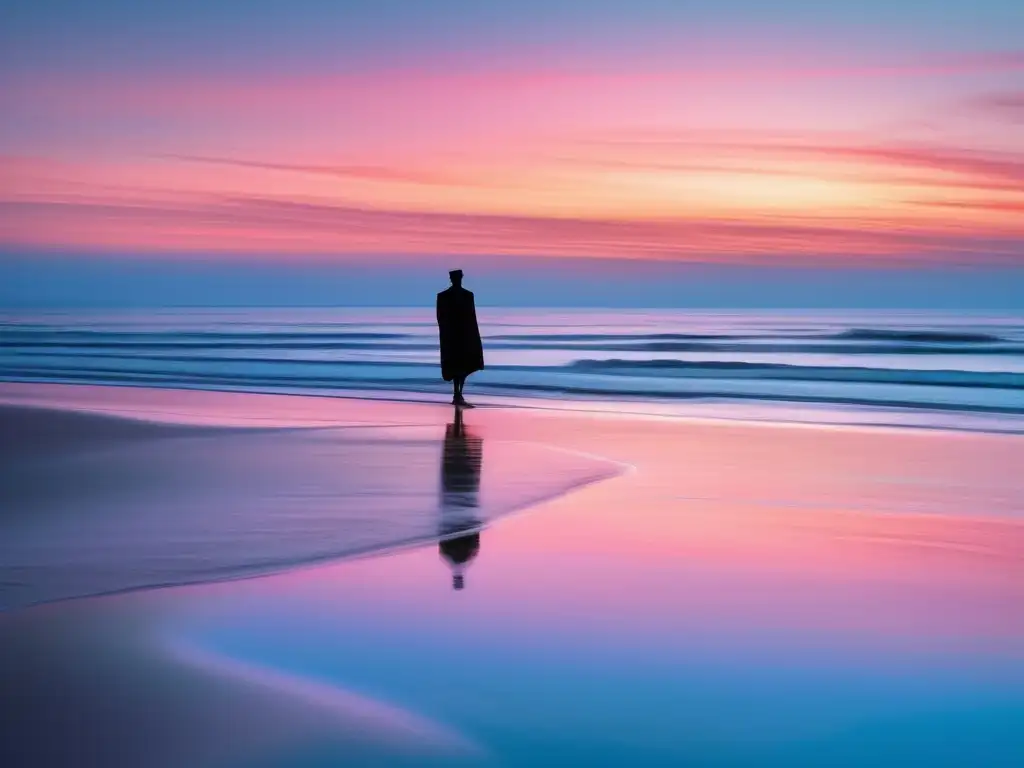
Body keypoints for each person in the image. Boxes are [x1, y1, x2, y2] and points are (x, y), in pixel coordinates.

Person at [436, 269, 484, 407]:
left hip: (461, 334)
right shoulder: (446, 296)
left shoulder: (466, 296)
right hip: (454, 335)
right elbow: (440, 318)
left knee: (462, 366)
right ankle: (457, 394)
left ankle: (458, 394)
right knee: (457, 366)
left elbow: (471, 317)